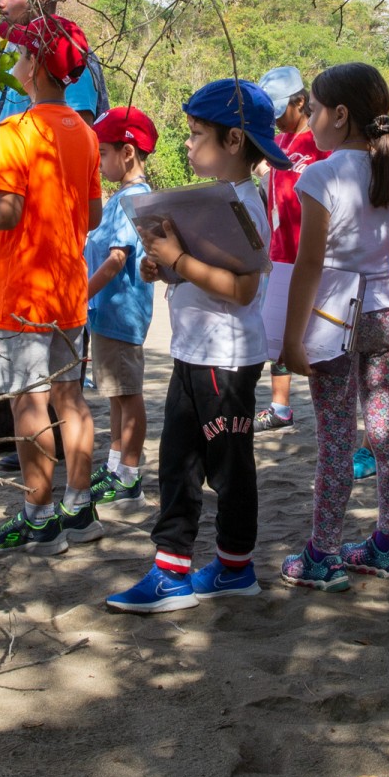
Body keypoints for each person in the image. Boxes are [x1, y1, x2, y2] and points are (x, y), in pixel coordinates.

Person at [106, 80, 287, 613]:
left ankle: (234, 567)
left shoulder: (243, 207)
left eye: (195, 134)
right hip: (194, 352)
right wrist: (163, 267)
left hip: (225, 361)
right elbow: (206, 274)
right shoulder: (214, 202)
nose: (187, 144)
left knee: (228, 468)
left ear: (234, 140)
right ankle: (171, 571)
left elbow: (243, 288)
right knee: (178, 463)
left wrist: (179, 261)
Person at [0, 16, 103, 554]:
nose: (14, 65)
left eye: (19, 56)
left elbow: (6, 214)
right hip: (69, 284)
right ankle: (80, 509)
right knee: (70, 398)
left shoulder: (16, 131)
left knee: (28, 400)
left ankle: (38, 515)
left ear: (33, 65)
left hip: (24, 288)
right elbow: (94, 215)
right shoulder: (86, 133)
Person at [277, 64, 389, 590]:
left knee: (336, 438)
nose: (311, 118)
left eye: (315, 109)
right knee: (385, 433)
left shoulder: (319, 176)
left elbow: (309, 266)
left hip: (332, 320)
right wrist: (383, 297)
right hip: (384, 314)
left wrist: (292, 338)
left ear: (340, 117)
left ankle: (322, 554)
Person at [0, 0, 111, 472]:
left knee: (44, 370)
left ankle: (40, 479)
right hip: (1, 219)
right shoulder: (9, 59)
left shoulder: (67, 60)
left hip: (43, 230)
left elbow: (79, 135)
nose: (0, 1)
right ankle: (3, 435)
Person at [85, 107, 158, 508]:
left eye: (104, 153)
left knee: (127, 394)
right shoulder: (121, 198)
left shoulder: (134, 198)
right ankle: (116, 466)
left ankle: (129, 477)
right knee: (115, 394)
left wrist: (79, 294)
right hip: (107, 313)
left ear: (127, 153)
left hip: (121, 313)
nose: (100, 162)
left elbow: (116, 260)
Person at [252, 64, 327, 434]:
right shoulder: (279, 144)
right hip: (281, 254)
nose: (278, 121)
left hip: (314, 257)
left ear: (301, 101)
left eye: (282, 111)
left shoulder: (320, 143)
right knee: (277, 335)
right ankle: (280, 406)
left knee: (323, 346)